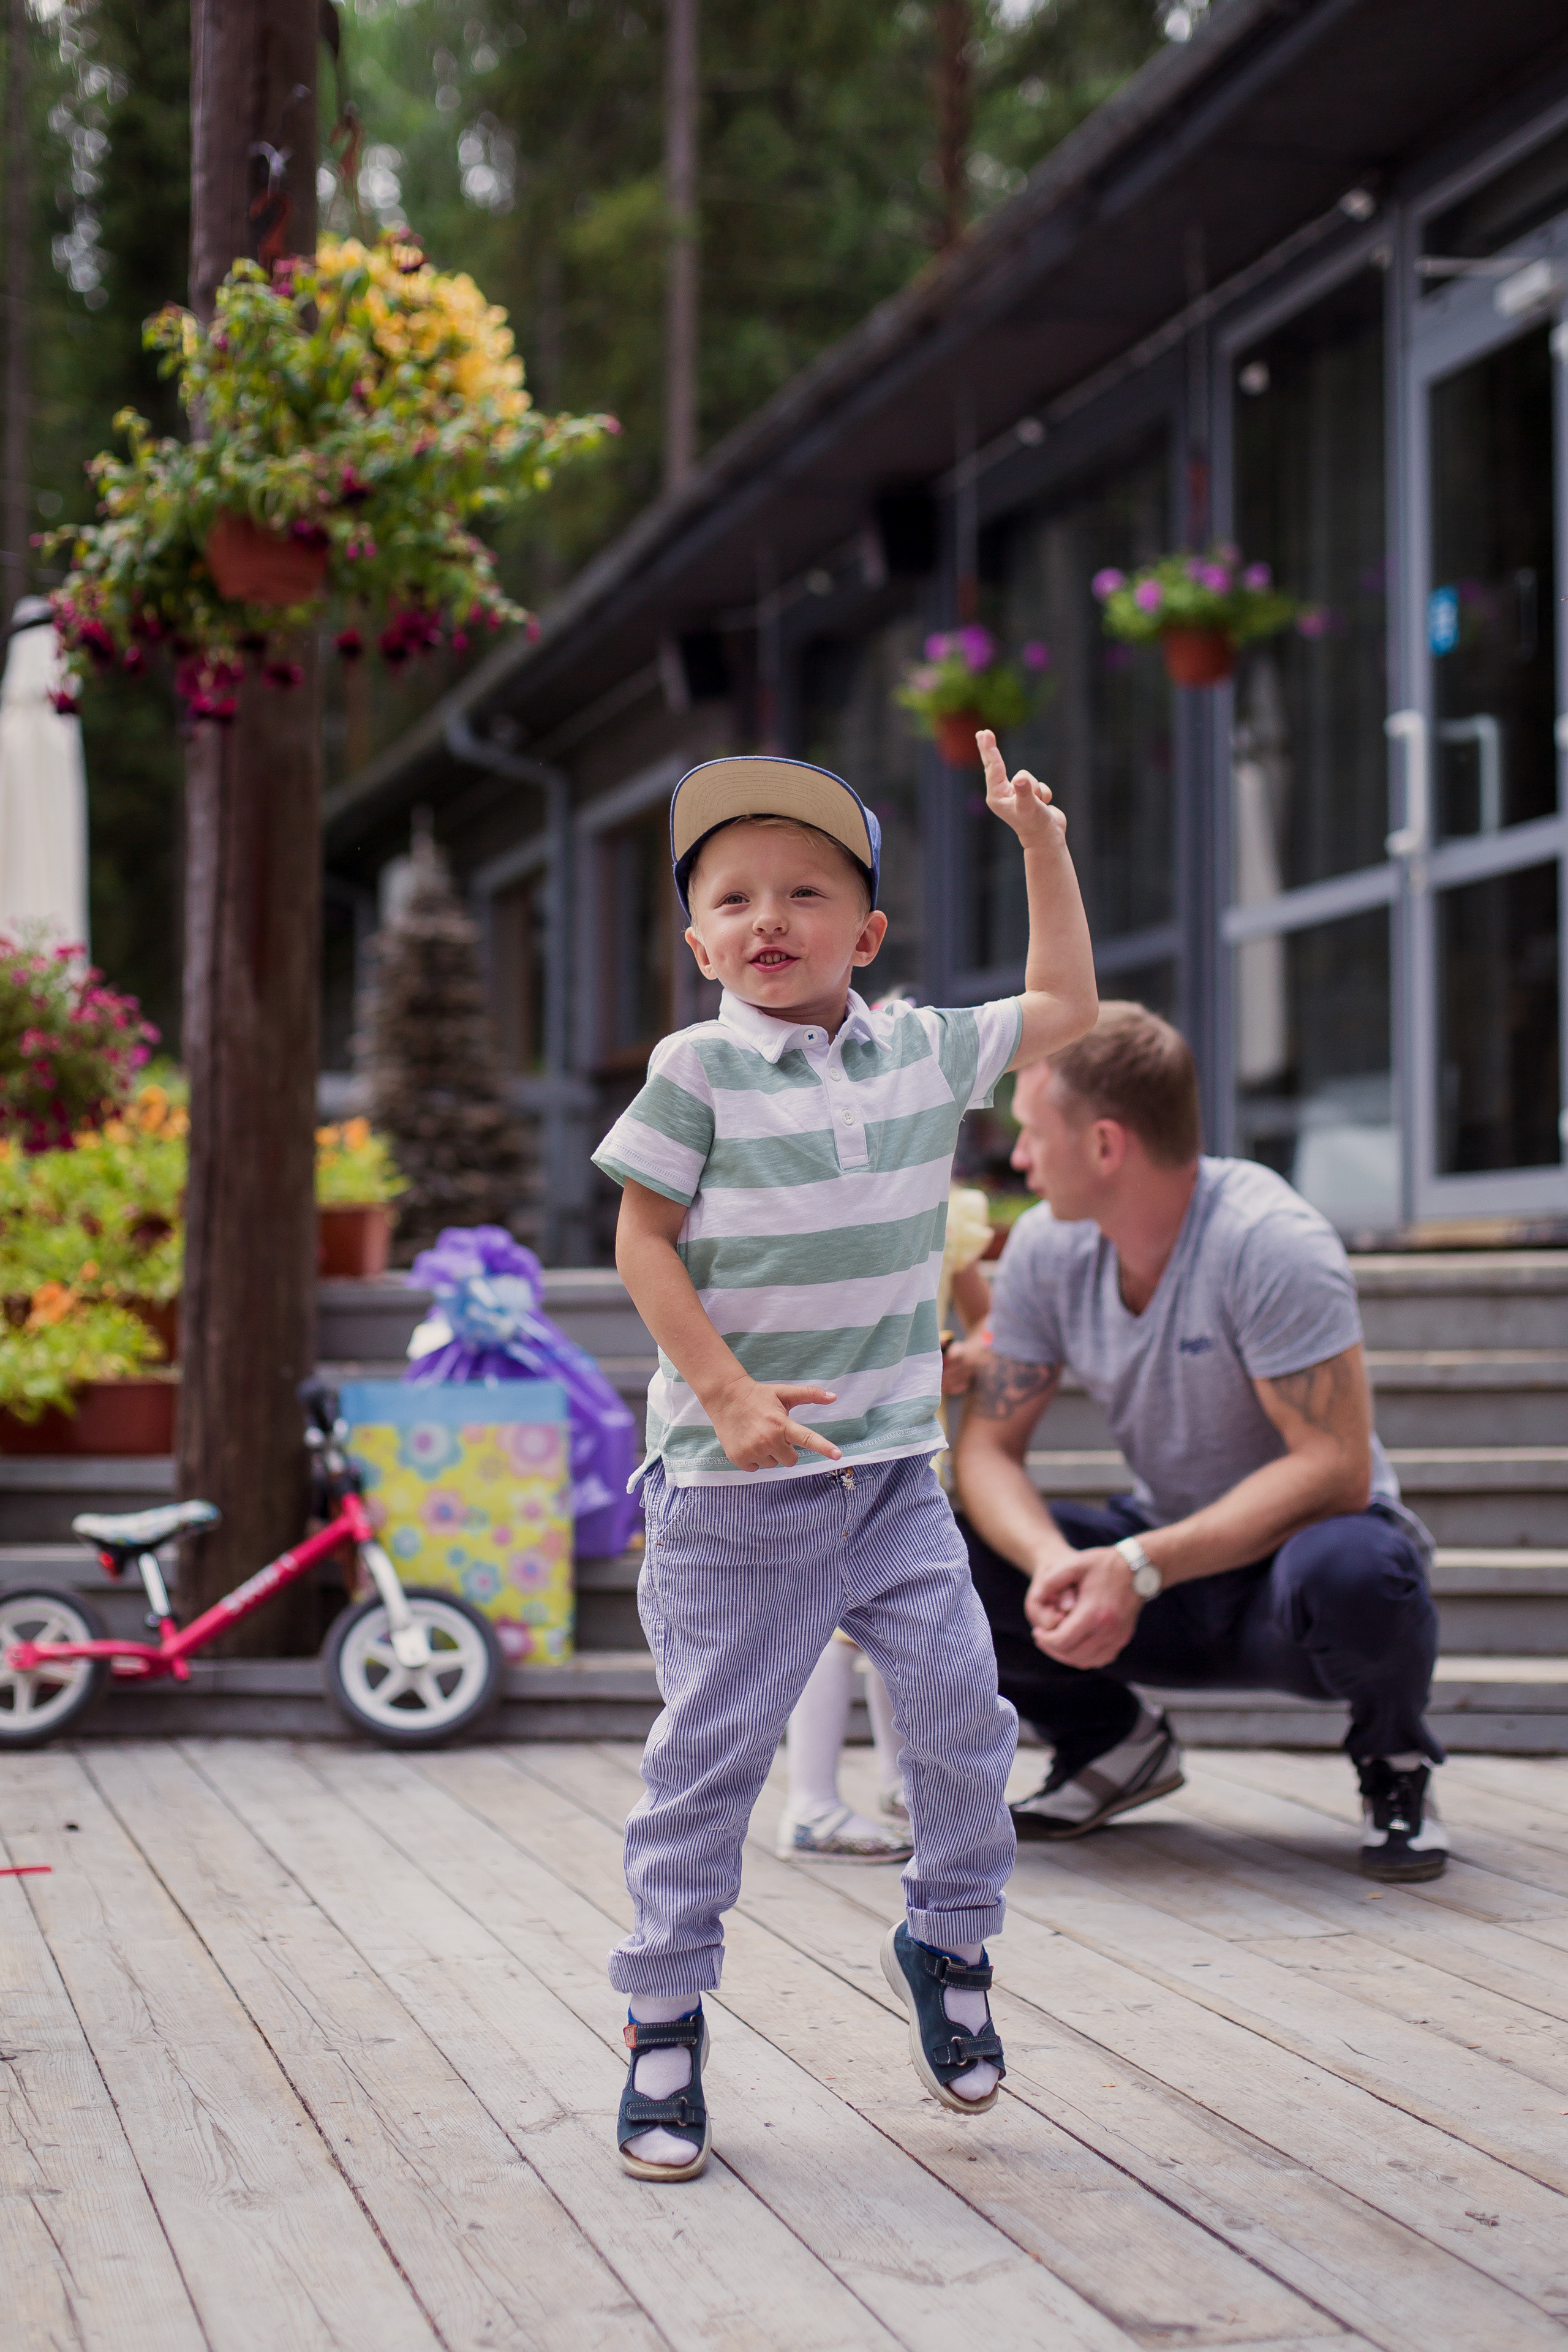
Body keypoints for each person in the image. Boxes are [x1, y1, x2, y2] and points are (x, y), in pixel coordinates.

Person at [592, 737, 1098, 2180]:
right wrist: (730, 1393)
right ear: (697, 940)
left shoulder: (923, 1051)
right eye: (733, 898)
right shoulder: (694, 1069)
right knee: (708, 1769)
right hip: (729, 1495)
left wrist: (1036, 846)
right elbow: (640, 1243)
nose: (768, 920)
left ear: (862, 935)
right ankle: (664, 2019)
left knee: (960, 1716)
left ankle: (946, 1942)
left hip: (886, 1477)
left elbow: (1065, 1006)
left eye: (804, 893)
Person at [955, 1001, 1447, 1887]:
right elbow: (988, 1451)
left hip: (1290, 1579)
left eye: (1031, 1132)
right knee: (930, 1548)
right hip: (1163, 1570)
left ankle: (1395, 1765)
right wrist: (1056, 1561)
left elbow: (1334, 1470)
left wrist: (1140, 1565)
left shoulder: (1270, 1242)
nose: (1018, 1158)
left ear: (1105, 1146)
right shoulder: (1044, 1247)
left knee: (1359, 1572)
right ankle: (1111, 1745)